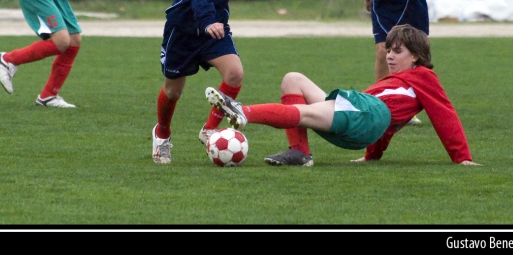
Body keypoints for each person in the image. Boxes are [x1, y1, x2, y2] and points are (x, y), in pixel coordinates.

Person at [205, 24, 481, 167]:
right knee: (293, 80)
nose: (390, 55)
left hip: (367, 112)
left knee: (307, 113)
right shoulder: (396, 83)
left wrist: (462, 157)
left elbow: (444, 114)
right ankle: (300, 153)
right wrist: (372, 156)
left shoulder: (424, 76)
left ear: (416, 57)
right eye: (388, 50)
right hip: (365, 111)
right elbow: (388, 123)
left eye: (398, 51)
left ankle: (244, 112)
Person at [152, 0, 249, 164]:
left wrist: (213, 23)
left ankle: (209, 130)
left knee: (234, 74)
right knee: (173, 91)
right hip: (183, 31)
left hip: (214, 30)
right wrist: (207, 20)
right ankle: (162, 135)